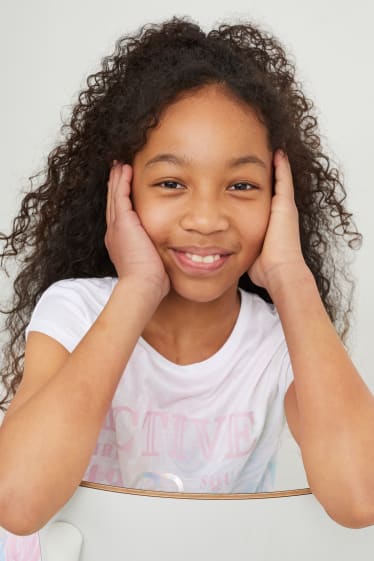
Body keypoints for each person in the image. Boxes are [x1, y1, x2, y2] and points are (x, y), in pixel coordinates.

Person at [1, 14, 374, 558]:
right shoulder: (74, 312)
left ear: (280, 198)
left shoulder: (281, 343)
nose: (206, 217)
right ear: (121, 189)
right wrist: (137, 288)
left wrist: (292, 277)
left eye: (242, 185)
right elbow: (16, 500)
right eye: (171, 183)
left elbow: (360, 495)